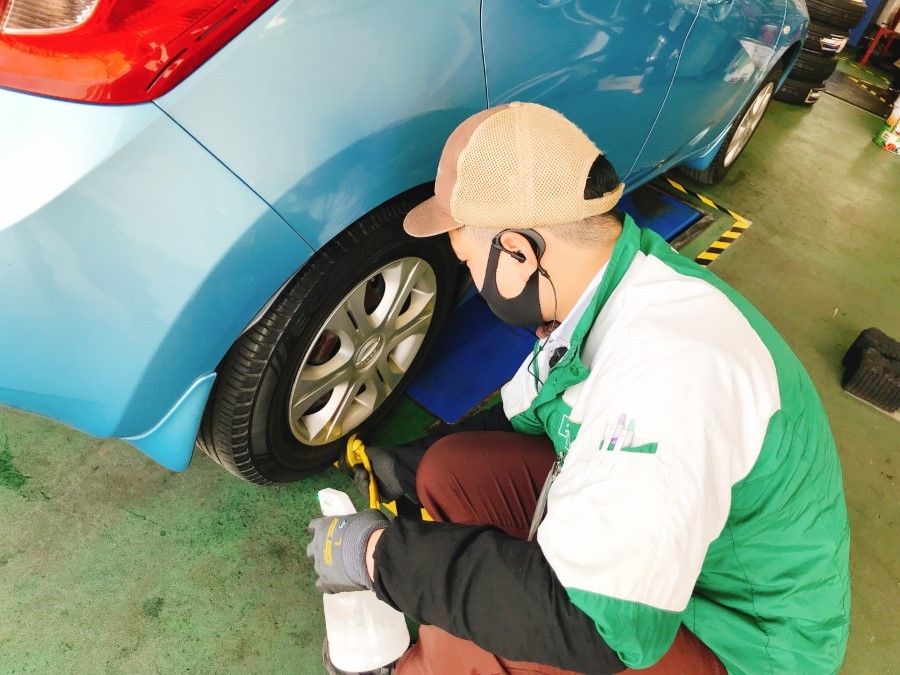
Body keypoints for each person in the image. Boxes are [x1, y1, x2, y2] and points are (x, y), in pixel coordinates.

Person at [307, 102, 851, 675]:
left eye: (469, 263)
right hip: (689, 561)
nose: (473, 281)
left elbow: (593, 626)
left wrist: (377, 555)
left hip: (738, 640)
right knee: (450, 469)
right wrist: (405, 467)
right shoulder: (614, 283)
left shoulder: (674, 371)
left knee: (527, 631)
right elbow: (523, 414)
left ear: (519, 251)